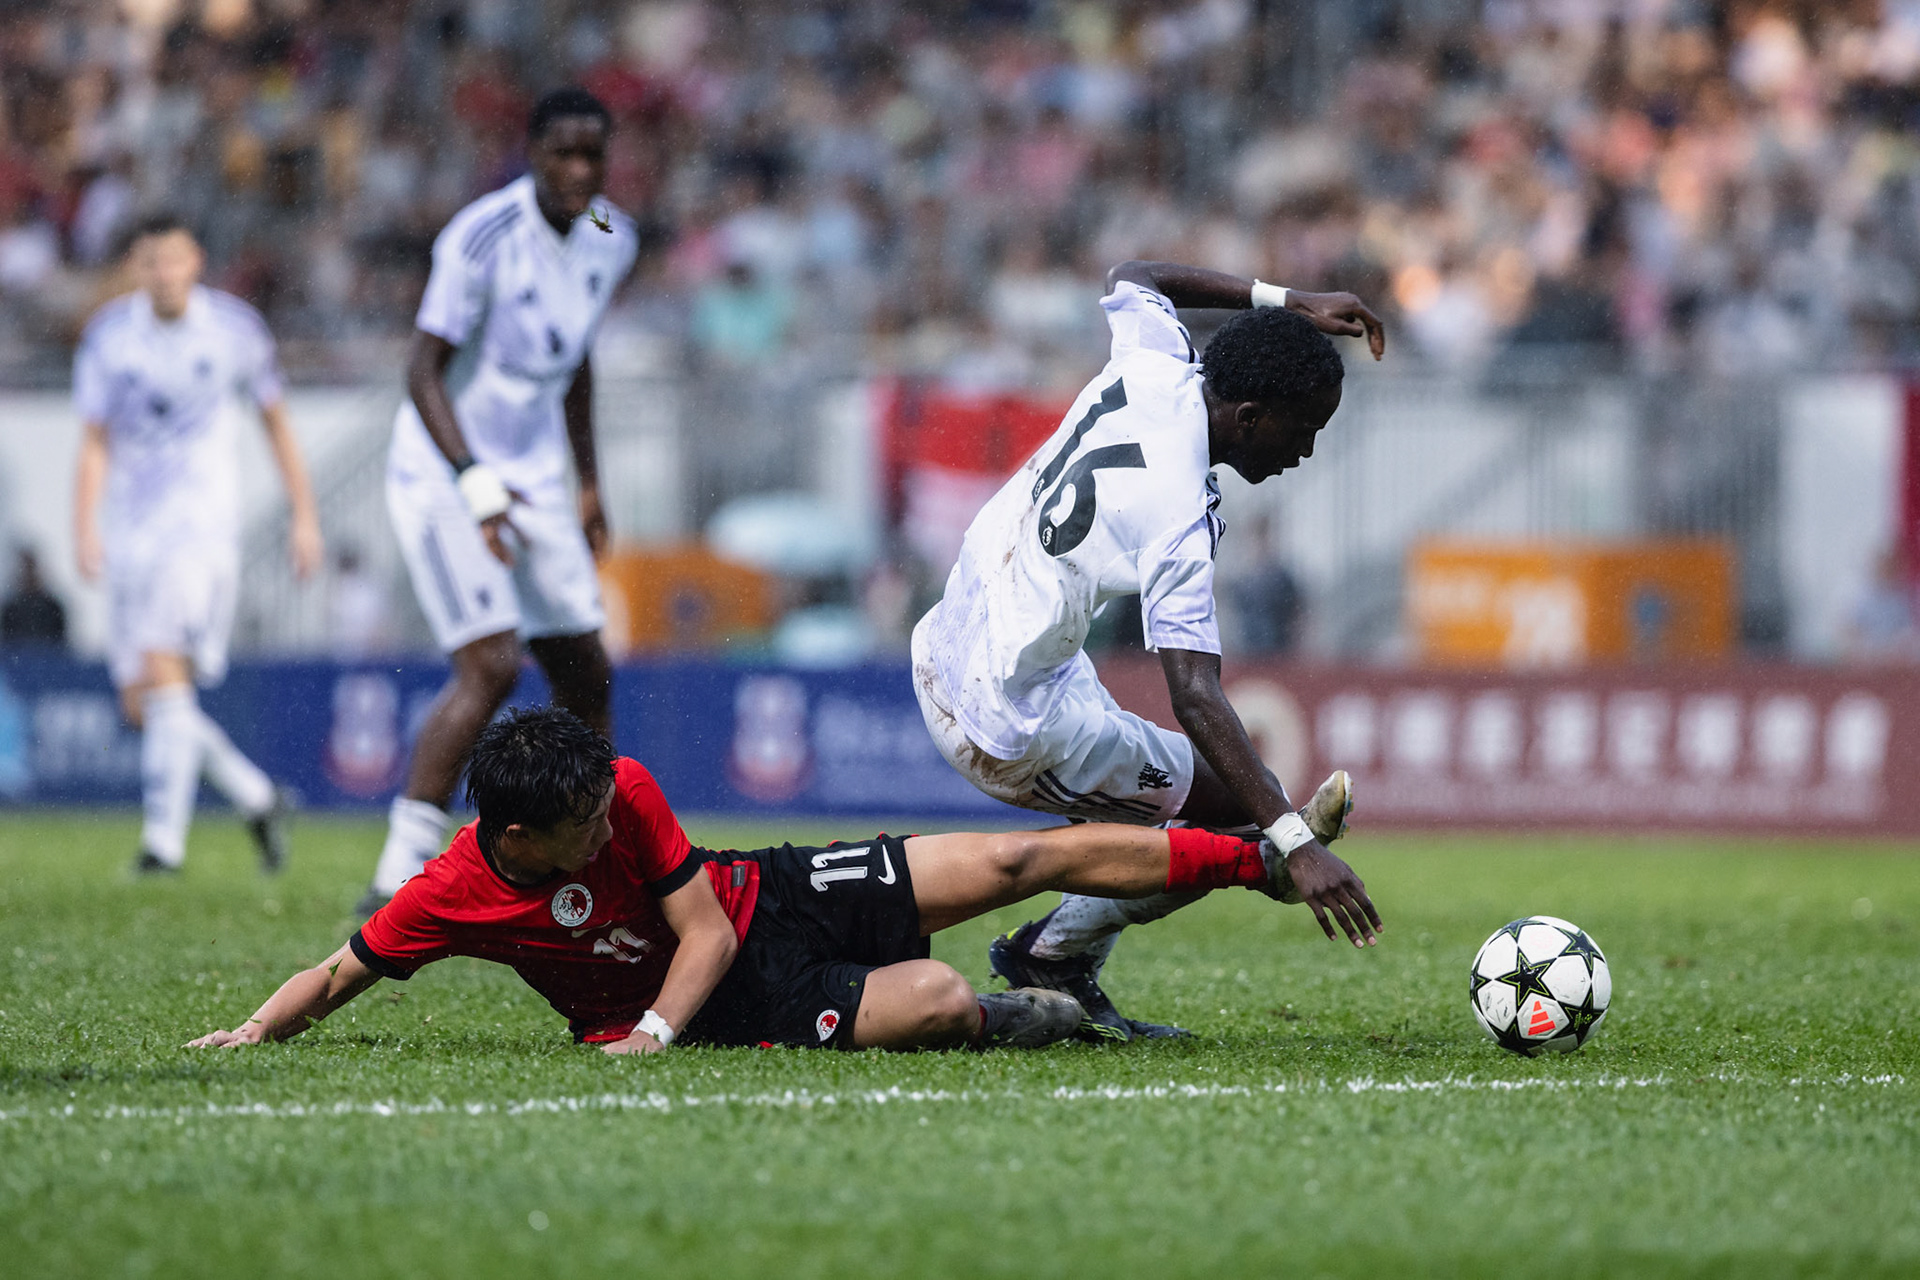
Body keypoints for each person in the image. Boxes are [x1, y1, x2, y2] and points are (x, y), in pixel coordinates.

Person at [190, 707, 1318, 1055]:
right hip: (742, 1002)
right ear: (518, 831)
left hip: (759, 902)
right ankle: (1031, 1014)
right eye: (580, 828)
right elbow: (342, 970)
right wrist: (252, 1029)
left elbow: (705, 927)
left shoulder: (618, 782)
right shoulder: (450, 892)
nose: (605, 828)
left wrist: (653, 1036)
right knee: (935, 1001)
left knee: (1015, 855)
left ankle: (1257, 858)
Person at [911, 260, 1386, 1040]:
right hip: (1006, 721)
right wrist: (1296, 841)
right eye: (1305, 430)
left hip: (951, 640)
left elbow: (1137, 275)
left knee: (1232, 805)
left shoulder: (1156, 361)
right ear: (1251, 413)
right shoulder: (1178, 516)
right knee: (1241, 809)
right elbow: (1195, 695)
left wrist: (1290, 302)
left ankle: (1076, 937)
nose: (1305, 453)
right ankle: (1055, 957)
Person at [358, 87, 639, 914]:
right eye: (563, 153)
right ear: (532, 152)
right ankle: (396, 871)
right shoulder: (482, 237)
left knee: (585, 670)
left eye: (594, 153)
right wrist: (475, 479)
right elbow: (421, 370)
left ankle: (596, 848)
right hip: (447, 470)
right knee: (489, 664)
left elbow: (575, 361)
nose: (580, 170)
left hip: (540, 475)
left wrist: (587, 480)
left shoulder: (610, 238)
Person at [72, 213, 321, 876]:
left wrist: (304, 515)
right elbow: (94, 438)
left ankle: (163, 846)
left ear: (196, 262)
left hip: (199, 528)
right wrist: (84, 523)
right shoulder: (108, 336)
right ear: (135, 266)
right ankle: (259, 796)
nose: (164, 274)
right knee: (142, 704)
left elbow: (276, 421)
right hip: (132, 529)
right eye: (151, 262)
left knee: (163, 670)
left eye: (174, 260)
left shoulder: (235, 329)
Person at [0, 546, 68, 650]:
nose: (28, 574)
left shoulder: (51, 606)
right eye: (25, 569)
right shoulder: (11, 608)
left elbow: (60, 643)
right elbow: (8, 644)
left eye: (30, 568)